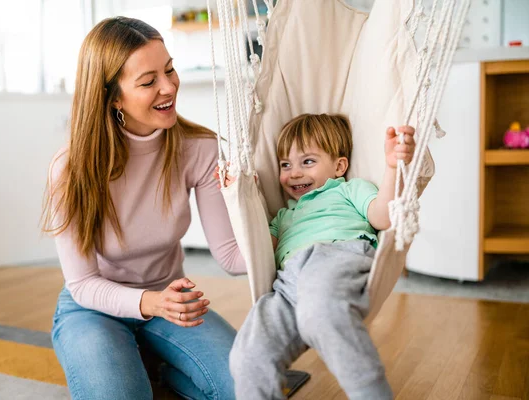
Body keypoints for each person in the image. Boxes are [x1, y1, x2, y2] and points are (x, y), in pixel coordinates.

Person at [42, 17, 246, 400]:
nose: (169, 87)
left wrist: (304, 232)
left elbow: (232, 256)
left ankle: (157, 368)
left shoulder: (199, 148)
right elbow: (83, 284)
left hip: (171, 300)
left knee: (250, 388)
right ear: (113, 96)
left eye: (169, 70)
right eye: (148, 81)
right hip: (93, 308)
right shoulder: (71, 167)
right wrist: (152, 303)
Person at [220, 113, 416, 400]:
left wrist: (393, 169)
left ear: (339, 166)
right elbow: (255, 251)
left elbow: (384, 217)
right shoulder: (283, 216)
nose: (294, 173)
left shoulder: (351, 190)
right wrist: (241, 198)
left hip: (337, 257)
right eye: (285, 165)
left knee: (321, 313)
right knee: (248, 354)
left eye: (307, 162)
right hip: (287, 285)